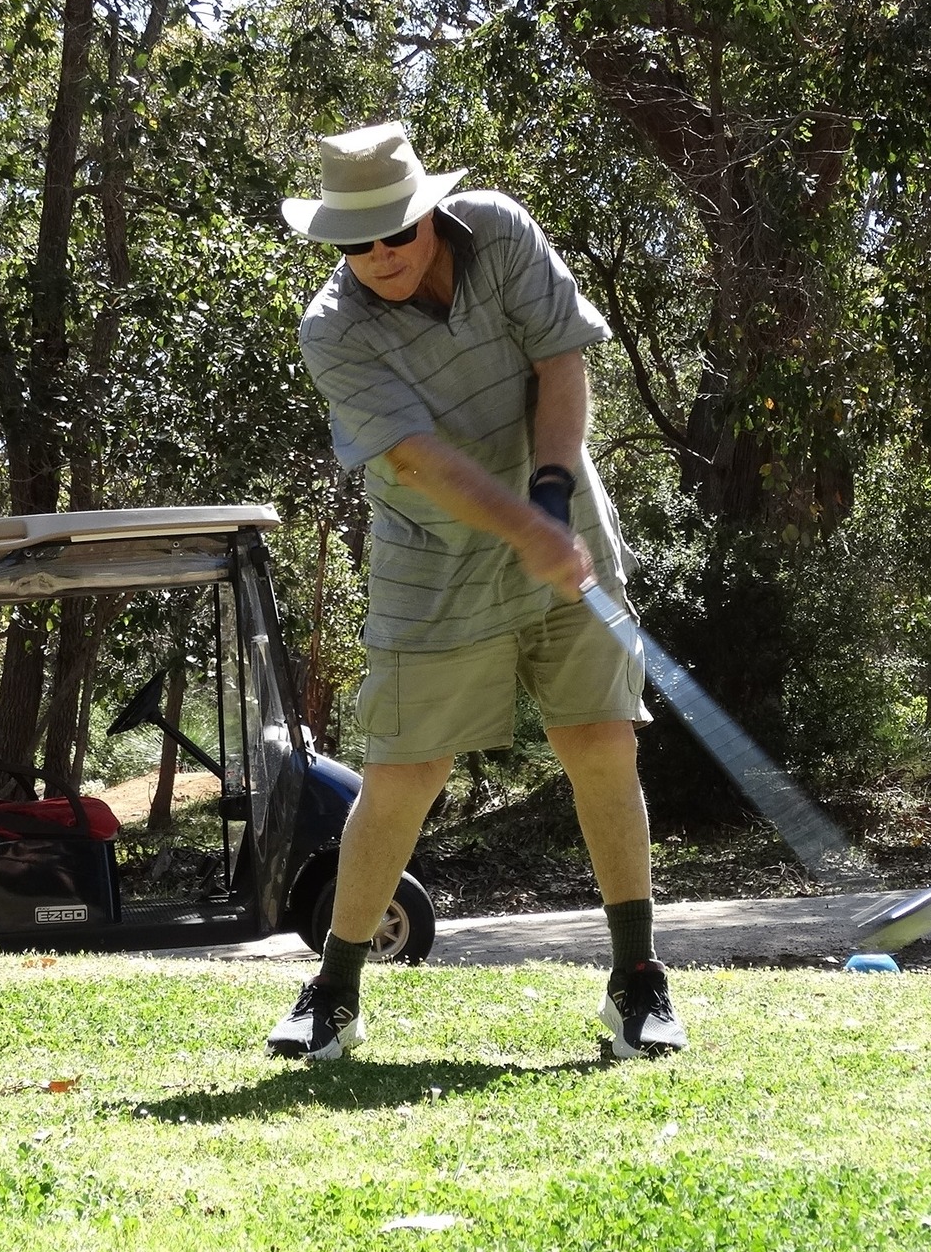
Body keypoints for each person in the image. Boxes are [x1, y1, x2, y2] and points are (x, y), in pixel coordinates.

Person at [266, 121, 686, 1062]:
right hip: (431, 561)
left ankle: (637, 979)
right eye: (356, 242)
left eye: (396, 232)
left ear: (431, 215)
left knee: (600, 741)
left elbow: (562, 362)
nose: (380, 255)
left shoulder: (497, 229)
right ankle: (334, 991)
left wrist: (552, 499)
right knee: (405, 771)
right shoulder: (333, 331)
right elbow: (417, 460)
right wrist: (524, 527)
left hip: (565, 527)